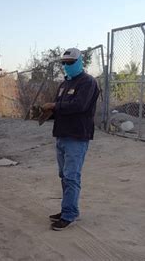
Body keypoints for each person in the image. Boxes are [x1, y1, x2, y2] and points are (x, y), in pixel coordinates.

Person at [42, 47, 99, 231]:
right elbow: (60, 109)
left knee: (71, 176)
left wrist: (55, 106)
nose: (67, 66)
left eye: (70, 62)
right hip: (62, 135)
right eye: (64, 63)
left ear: (80, 61)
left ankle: (69, 214)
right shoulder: (64, 84)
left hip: (77, 136)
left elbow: (80, 105)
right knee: (64, 176)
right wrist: (46, 113)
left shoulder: (88, 82)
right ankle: (68, 208)